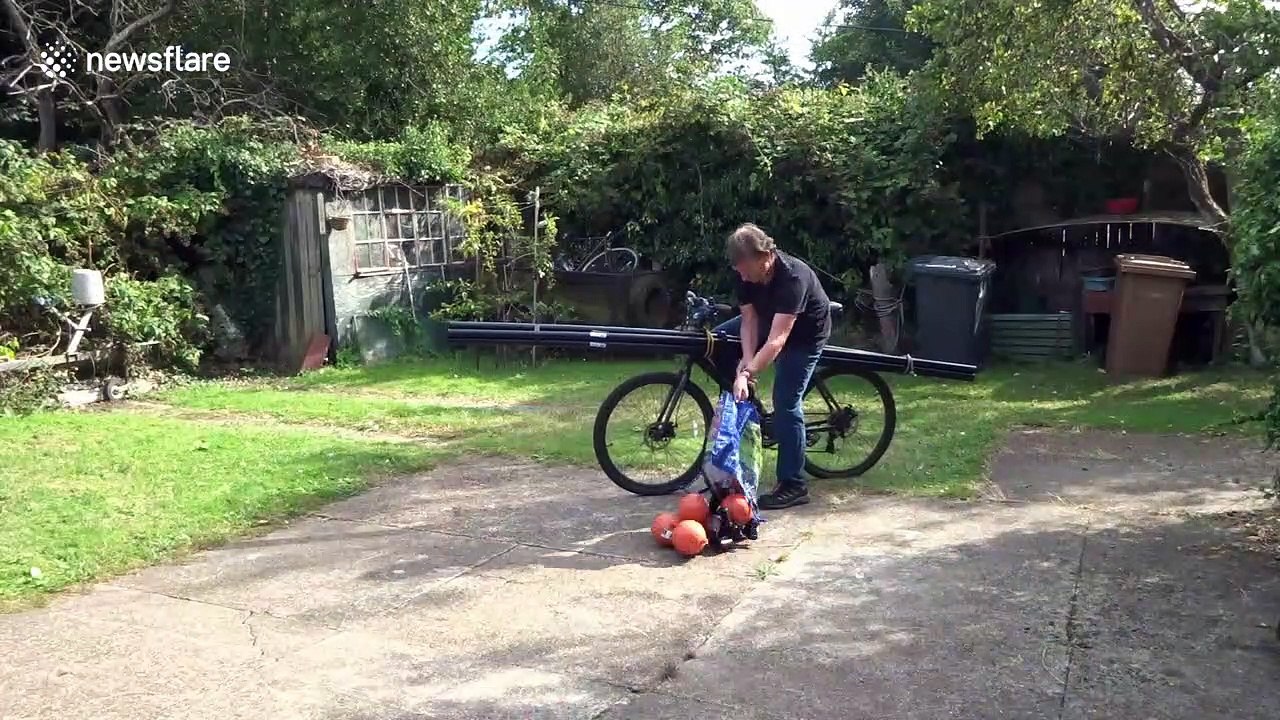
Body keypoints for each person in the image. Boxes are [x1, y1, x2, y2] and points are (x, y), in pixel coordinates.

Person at [715, 222, 831, 510]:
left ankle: (794, 484)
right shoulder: (744, 275)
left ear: (764, 257)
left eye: (744, 268)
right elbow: (749, 321)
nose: (740, 274)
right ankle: (750, 412)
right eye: (737, 268)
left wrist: (747, 372)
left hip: (804, 336)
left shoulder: (793, 278)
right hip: (769, 319)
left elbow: (778, 340)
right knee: (717, 343)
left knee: (786, 403)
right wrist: (746, 359)